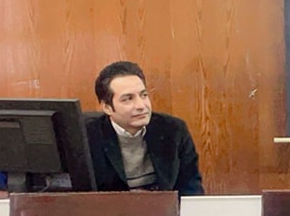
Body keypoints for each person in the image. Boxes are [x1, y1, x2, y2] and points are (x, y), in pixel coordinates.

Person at [86, 61, 205, 195]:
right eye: (128, 99)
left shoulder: (173, 130)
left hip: (163, 207)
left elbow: (191, 185)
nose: (141, 105)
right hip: (110, 208)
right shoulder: (88, 137)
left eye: (144, 95)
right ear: (107, 107)